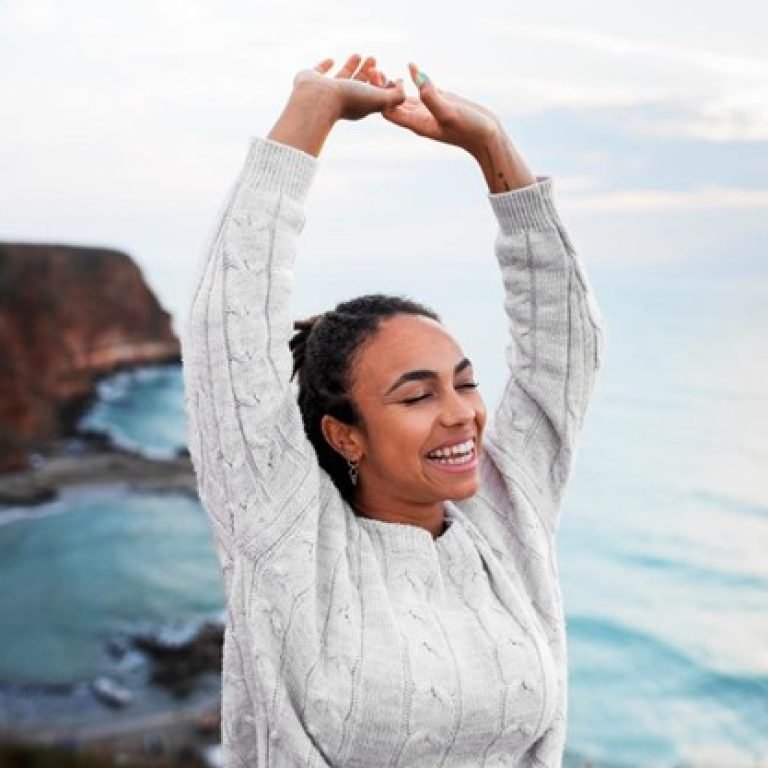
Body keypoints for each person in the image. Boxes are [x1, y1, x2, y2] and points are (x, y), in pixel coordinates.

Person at [182, 53, 605, 768]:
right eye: (416, 394)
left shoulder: (506, 523)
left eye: (464, 384)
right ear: (344, 433)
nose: (462, 415)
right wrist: (308, 114)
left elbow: (564, 349)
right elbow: (226, 333)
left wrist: (491, 146)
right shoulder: (284, 537)